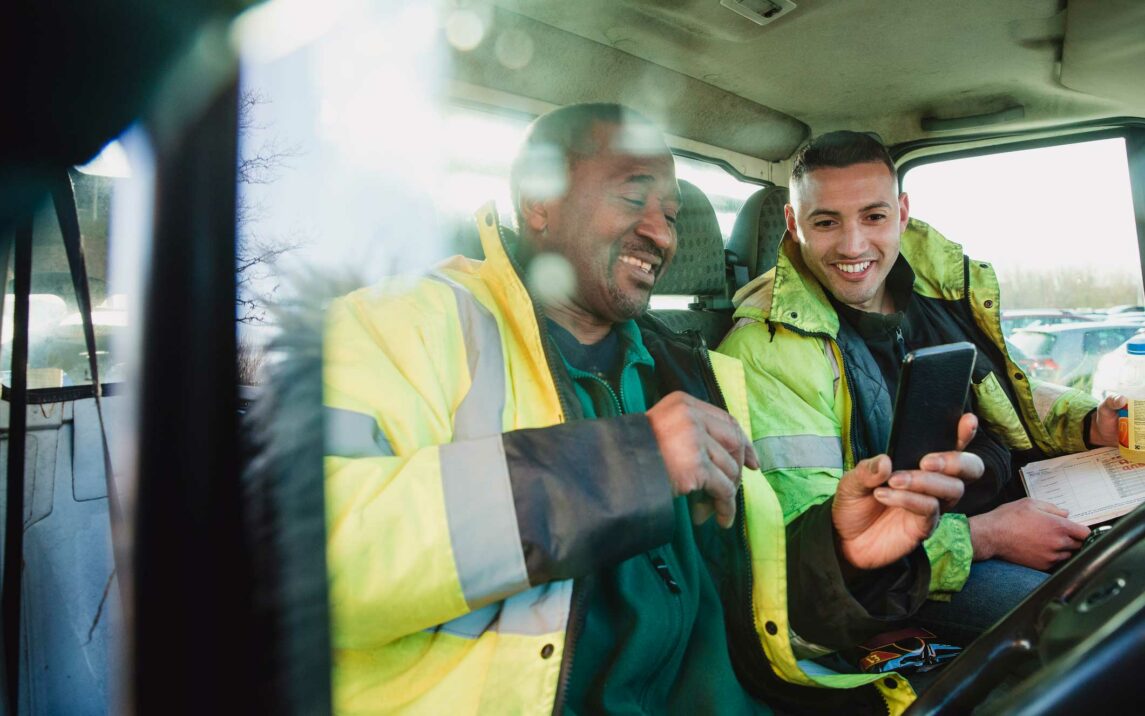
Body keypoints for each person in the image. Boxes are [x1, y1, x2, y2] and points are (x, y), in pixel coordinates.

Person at [322, 105, 982, 714]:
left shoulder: (696, 375)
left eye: (670, 213)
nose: (659, 232)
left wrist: (839, 554)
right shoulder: (399, 326)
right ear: (538, 204)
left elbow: (747, 613)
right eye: (633, 197)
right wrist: (630, 464)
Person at [717, 130, 1123, 645]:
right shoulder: (766, 348)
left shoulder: (937, 292)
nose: (853, 245)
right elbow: (816, 550)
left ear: (902, 213)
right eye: (826, 222)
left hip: (1019, 501)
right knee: (1092, 629)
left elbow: (1009, 388)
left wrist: (1088, 423)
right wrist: (988, 537)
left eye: (874, 216)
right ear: (794, 224)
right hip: (918, 572)